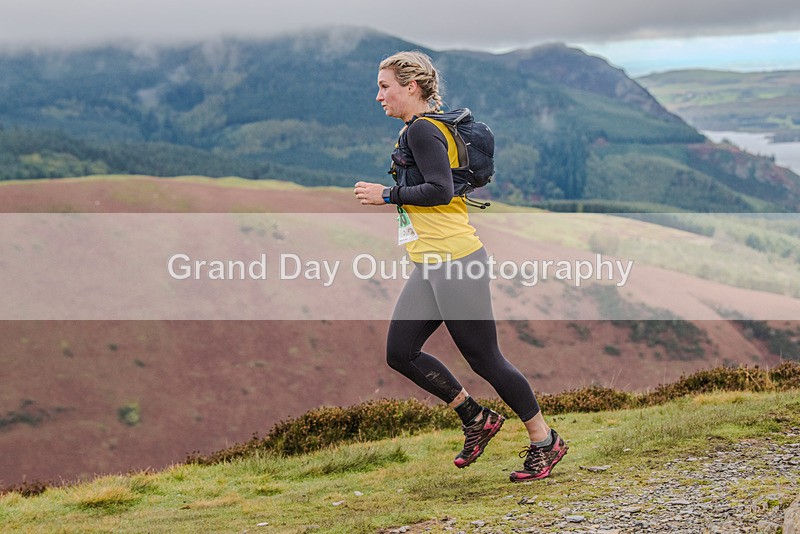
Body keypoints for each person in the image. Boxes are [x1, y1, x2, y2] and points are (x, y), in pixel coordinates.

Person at [353, 50, 567, 482]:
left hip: (455, 261)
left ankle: (545, 441)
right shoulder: (424, 128)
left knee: (486, 359)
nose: (379, 96)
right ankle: (476, 417)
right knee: (400, 352)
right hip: (431, 262)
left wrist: (386, 195)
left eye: (384, 87)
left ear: (411, 87)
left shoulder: (423, 130)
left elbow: (439, 189)